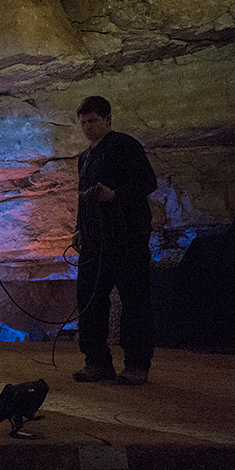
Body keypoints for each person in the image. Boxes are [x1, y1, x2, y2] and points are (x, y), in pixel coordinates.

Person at [71, 95, 157, 385]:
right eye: (83, 122)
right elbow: (84, 198)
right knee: (89, 300)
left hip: (126, 239)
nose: (87, 127)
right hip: (95, 242)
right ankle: (96, 362)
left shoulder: (125, 145)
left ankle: (136, 365)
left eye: (93, 121)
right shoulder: (85, 157)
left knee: (134, 301)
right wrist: (79, 228)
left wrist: (116, 194)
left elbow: (148, 182)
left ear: (108, 119)